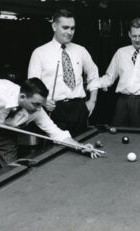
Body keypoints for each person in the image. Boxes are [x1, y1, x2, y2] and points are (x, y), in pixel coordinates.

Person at [0, 75, 100, 180]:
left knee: (12, 171)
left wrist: (80, 147)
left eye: (41, 104)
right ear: (22, 97)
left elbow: (56, 133)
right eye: (35, 104)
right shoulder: (1, 90)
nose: (39, 108)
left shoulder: (36, 111)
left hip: (7, 134)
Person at [28, 9, 100, 137]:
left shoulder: (81, 50)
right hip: (55, 109)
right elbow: (32, 86)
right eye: (65, 28)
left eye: (72, 28)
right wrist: (43, 101)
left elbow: (94, 74)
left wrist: (92, 101)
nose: (69, 32)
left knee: (82, 146)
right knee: (56, 150)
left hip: (79, 108)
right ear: (54, 26)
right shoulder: (39, 53)